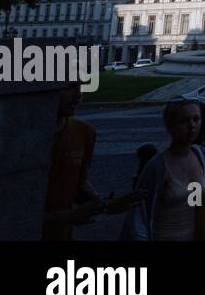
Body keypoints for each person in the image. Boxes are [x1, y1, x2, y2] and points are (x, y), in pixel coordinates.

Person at [43, 82, 143, 240]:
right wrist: (68, 216)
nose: (78, 95)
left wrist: (103, 204)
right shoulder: (14, 137)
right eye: (69, 87)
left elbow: (78, 183)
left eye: (80, 86)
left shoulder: (84, 132)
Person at [120, 99, 205, 240]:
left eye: (196, 119)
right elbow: (138, 218)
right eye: (184, 121)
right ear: (169, 126)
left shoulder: (199, 155)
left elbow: (191, 201)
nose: (192, 126)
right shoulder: (157, 167)